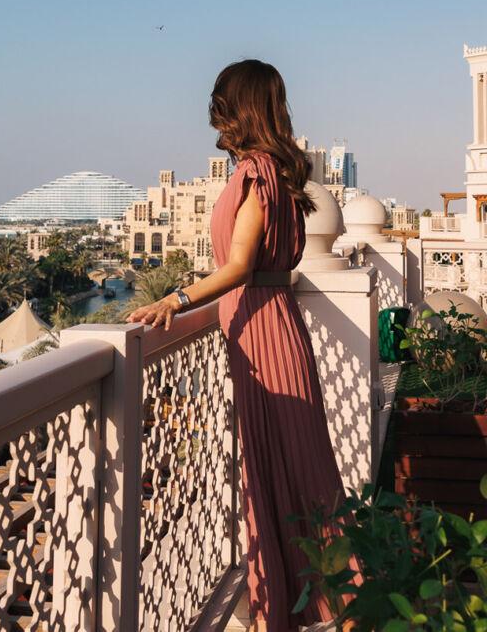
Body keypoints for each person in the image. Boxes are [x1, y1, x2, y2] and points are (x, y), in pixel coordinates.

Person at [126, 59, 350, 632]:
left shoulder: (255, 172)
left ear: (238, 107)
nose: (213, 116)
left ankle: (317, 607)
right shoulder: (275, 171)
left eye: (220, 104)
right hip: (270, 327)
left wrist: (175, 299)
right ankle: (306, 604)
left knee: (289, 472)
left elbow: (240, 266)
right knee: (293, 470)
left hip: (264, 334)